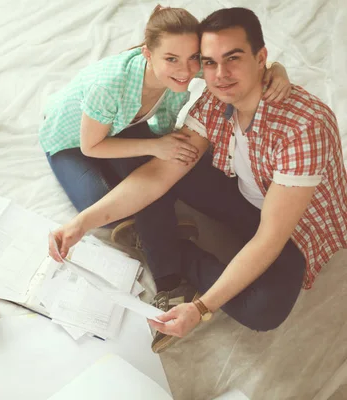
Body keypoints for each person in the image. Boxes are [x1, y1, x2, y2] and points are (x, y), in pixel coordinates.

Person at [49, 7, 347, 353]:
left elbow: (269, 238)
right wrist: (81, 223)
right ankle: (158, 241)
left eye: (233, 58)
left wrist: (201, 307)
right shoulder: (213, 100)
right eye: (208, 62)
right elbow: (157, 176)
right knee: (159, 152)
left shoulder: (304, 130)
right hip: (240, 191)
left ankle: (174, 252)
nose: (220, 74)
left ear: (261, 57)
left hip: (291, 227)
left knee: (264, 311)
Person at [39, 6, 291, 239]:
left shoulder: (189, 66)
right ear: (148, 54)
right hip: (71, 141)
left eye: (194, 57)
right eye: (171, 59)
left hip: (119, 127)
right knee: (101, 210)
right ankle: (152, 232)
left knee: (168, 169)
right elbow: (90, 147)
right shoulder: (108, 86)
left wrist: (277, 68)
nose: (184, 71)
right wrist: (155, 146)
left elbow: (239, 63)